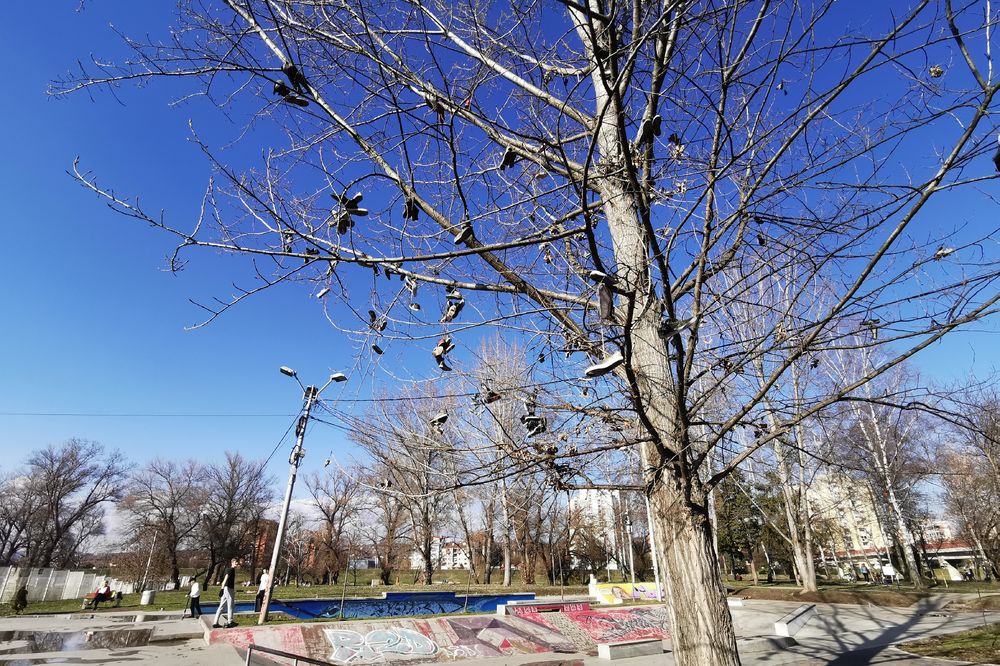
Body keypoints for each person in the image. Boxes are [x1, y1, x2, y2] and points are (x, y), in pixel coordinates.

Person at [212, 558, 239, 628]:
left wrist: (222, 588)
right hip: (229, 589)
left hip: (225, 589)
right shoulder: (231, 569)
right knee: (230, 605)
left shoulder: (228, 569)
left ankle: (215, 622)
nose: (237, 564)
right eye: (236, 562)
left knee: (221, 606)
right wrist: (222, 588)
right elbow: (225, 579)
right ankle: (230, 621)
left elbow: (224, 579)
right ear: (232, 562)